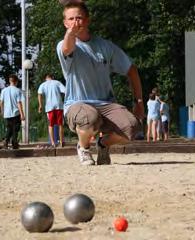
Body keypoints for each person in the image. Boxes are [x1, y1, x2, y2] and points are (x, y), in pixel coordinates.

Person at [56, 2, 144, 165]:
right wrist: (70, 34)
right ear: (65, 23)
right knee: (89, 118)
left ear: (87, 20)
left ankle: (103, 144)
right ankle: (83, 148)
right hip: (77, 104)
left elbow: (131, 70)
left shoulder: (105, 46)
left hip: (105, 103)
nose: (76, 22)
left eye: (80, 18)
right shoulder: (64, 45)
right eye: (71, 19)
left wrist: (139, 101)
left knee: (133, 127)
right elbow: (67, 48)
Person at [38, 74, 66, 147]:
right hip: (59, 105)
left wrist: (40, 105)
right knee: (60, 125)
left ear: (46, 78)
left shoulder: (43, 84)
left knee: (51, 125)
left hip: (49, 107)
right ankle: (61, 142)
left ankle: (53, 142)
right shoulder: (57, 82)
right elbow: (65, 91)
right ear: (52, 77)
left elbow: (39, 94)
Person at [0, 74, 25, 149]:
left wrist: (2, 111)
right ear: (16, 81)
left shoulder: (4, 90)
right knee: (15, 129)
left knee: (9, 128)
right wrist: (22, 114)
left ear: (9, 81)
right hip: (15, 113)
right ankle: (14, 143)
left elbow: (1, 102)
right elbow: (19, 103)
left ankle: (6, 141)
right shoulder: (18, 91)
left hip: (7, 113)